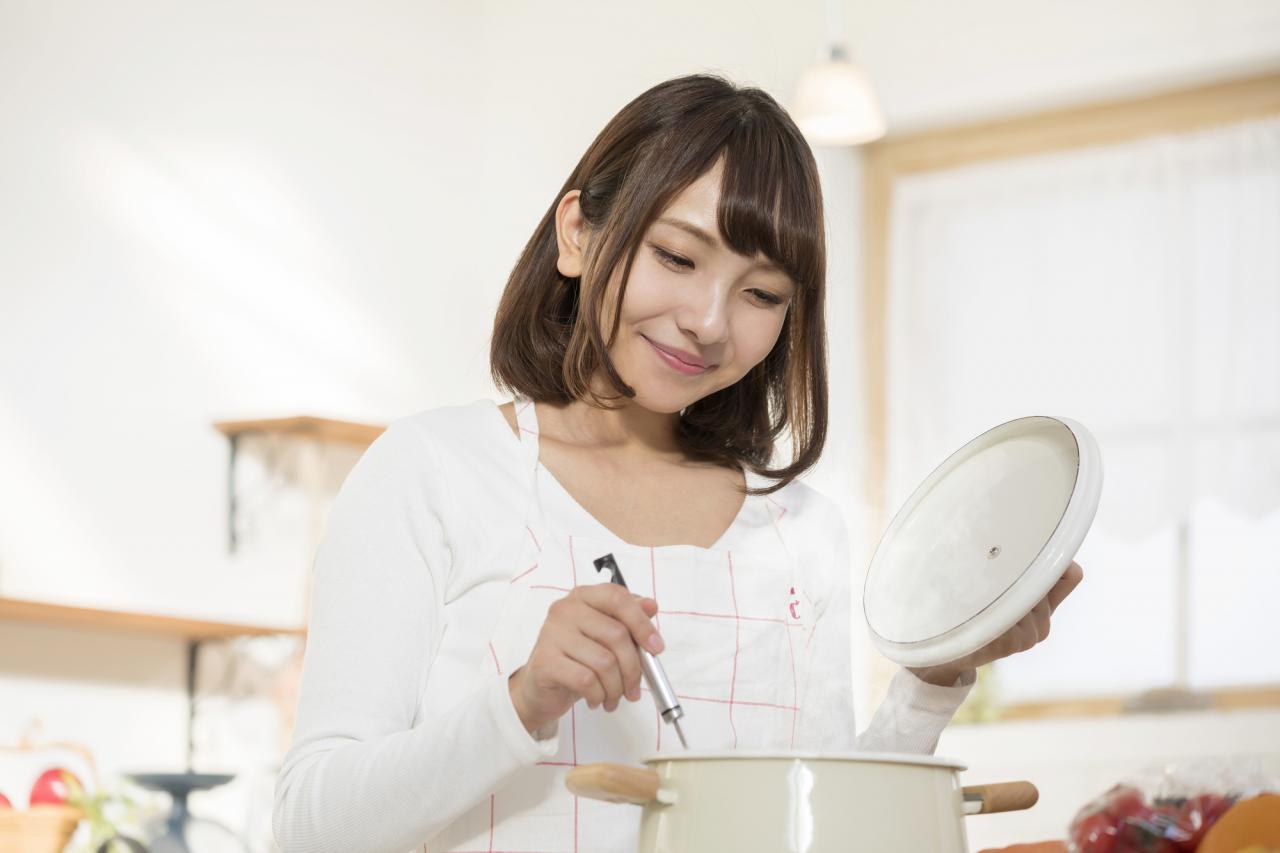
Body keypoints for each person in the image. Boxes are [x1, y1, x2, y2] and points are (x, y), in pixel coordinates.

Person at [272, 73, 1083, 853]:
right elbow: (311, 829)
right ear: (578, 235)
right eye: (677, 256)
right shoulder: (432, 472)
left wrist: (935, 679)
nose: (709, 321)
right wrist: (523, 700)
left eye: (762, 294)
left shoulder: (800, 532)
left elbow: (824, 825)